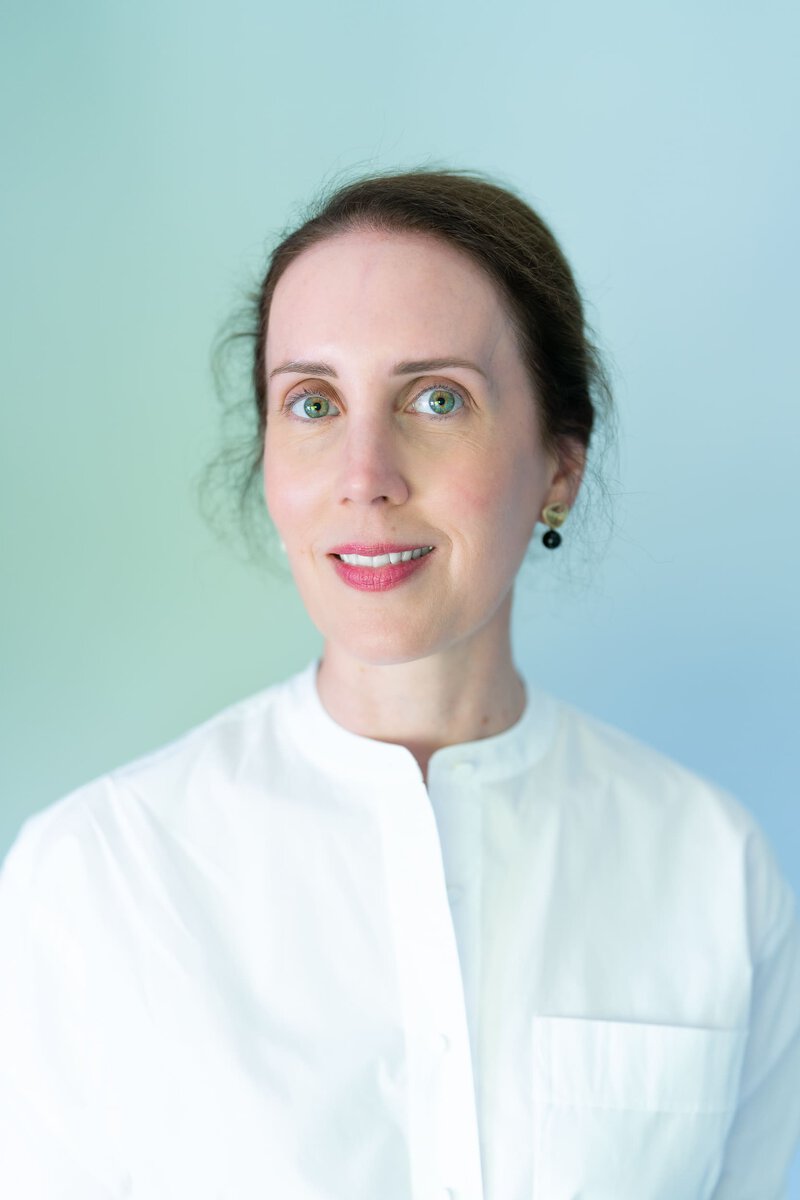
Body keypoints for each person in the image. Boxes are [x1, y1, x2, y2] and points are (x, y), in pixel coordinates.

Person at [1, 168, 799, 1200]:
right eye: (313, 403)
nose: (364, 472)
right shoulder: (93, 880)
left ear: (558, 464)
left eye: (435, 398)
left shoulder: (709, 869)